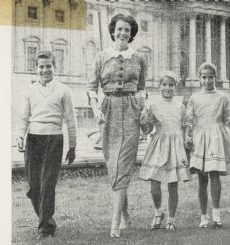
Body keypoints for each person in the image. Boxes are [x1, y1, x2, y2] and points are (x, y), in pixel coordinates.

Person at [86, 13, 146, 238]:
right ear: (113, 31)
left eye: (127, 31)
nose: (123, 33)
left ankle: (115, 221)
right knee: (114, 164)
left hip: (131, 110)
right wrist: (95, 109)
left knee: (124, 163)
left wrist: (143, 110)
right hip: (108, 109)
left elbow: (141, 88)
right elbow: (91, 87)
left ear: (131, 35)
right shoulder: (102, 57)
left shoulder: (139, 58)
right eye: (119, 29)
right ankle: (125, 213)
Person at [16, 50, 77, 239]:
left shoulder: (63, 90)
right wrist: (19, 136)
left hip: (54, 140)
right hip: (34, 140)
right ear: (36, 69)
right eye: (41, 67)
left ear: (54, 67)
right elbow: (23, 117)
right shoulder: (29, 90)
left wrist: (72, 146)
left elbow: (71, 120)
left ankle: (45, 228)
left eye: (48, 66)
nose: (45, 70)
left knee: (48, 185)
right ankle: (46, 219)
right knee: (34, 187)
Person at [185, 63, 230, 228]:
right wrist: (188, 135)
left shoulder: (222, 97)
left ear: (216, 77)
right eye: (204, 77)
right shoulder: (194, 98)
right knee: (202, 178)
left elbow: (229, 118)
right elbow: (189, 120)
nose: (207, 81)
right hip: (200, 138)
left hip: (216, 137)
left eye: (210, 77)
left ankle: (216, 213)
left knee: (214, 175)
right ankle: (203, 216)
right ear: (199, 78)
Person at [139, 71, 191, 231]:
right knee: (154, 181)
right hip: (159, 144)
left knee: (173, 184)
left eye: (171, 85)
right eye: (164, 85)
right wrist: (144, 121)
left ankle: (171, 219)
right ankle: (158, 212)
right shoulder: (153, 105)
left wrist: (188, 138)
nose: (167, 88)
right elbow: (147, 130)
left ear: (176, 87)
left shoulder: (180, 106)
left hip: (175, 145)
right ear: (159, 86)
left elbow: (186, 126)